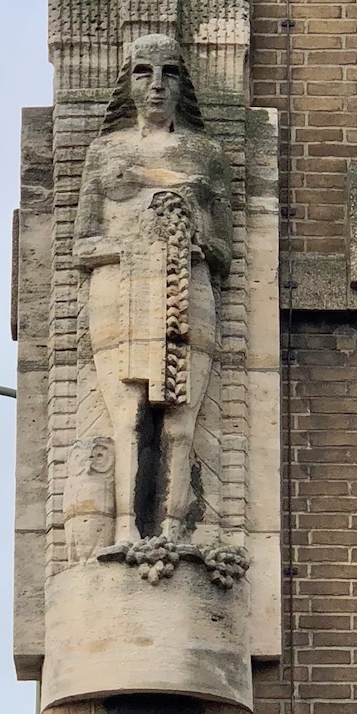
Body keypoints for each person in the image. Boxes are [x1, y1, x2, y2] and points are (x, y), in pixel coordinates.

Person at [73, 34, 232, 545]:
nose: (157, 85)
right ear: (129, 81)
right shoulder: (105, 151)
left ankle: (175, 532)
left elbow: (224, 247)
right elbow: (82, 245)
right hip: (119, 291)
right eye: (144, 72)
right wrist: (135, 238)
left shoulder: (205, 153)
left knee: (181, 422)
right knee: (129, 418)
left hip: (186, 286)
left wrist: (189, 230)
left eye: (169, 73)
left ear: (183, 84)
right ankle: (125, 531)